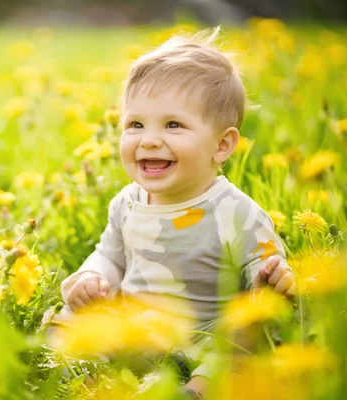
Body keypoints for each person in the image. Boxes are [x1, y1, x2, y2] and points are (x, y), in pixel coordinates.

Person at [55, 27, 295, 400]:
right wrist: (93, 276)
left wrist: (272, 280)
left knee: (241, 347)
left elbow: (264, 270)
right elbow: (110, 255)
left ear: (222, 144)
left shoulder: (235, 213)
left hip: (205, 335)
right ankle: (83, 375)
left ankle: (194, 392)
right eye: (135, 124)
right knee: (70, 317)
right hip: (136, 330)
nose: (148, 139)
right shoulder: (127, 202)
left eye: (173, 125)